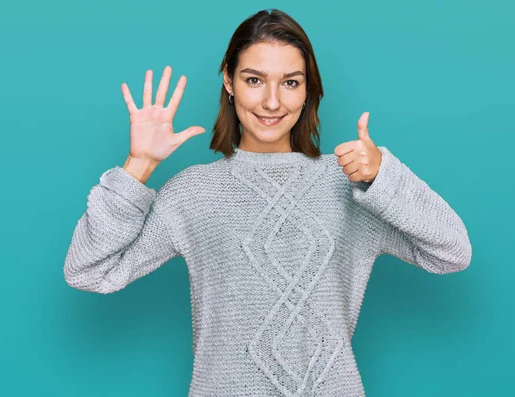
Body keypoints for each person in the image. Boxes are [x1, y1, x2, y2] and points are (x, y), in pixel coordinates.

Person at [63, 8, 472, 397]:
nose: (272, 102)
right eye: (254, 80)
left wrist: (385, 175)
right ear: (229, 81)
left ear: (308, 88)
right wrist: (140, 164)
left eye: (290, 82)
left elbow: (452, 251)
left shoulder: (351, 185)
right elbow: (88, 271)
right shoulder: (193, 192)